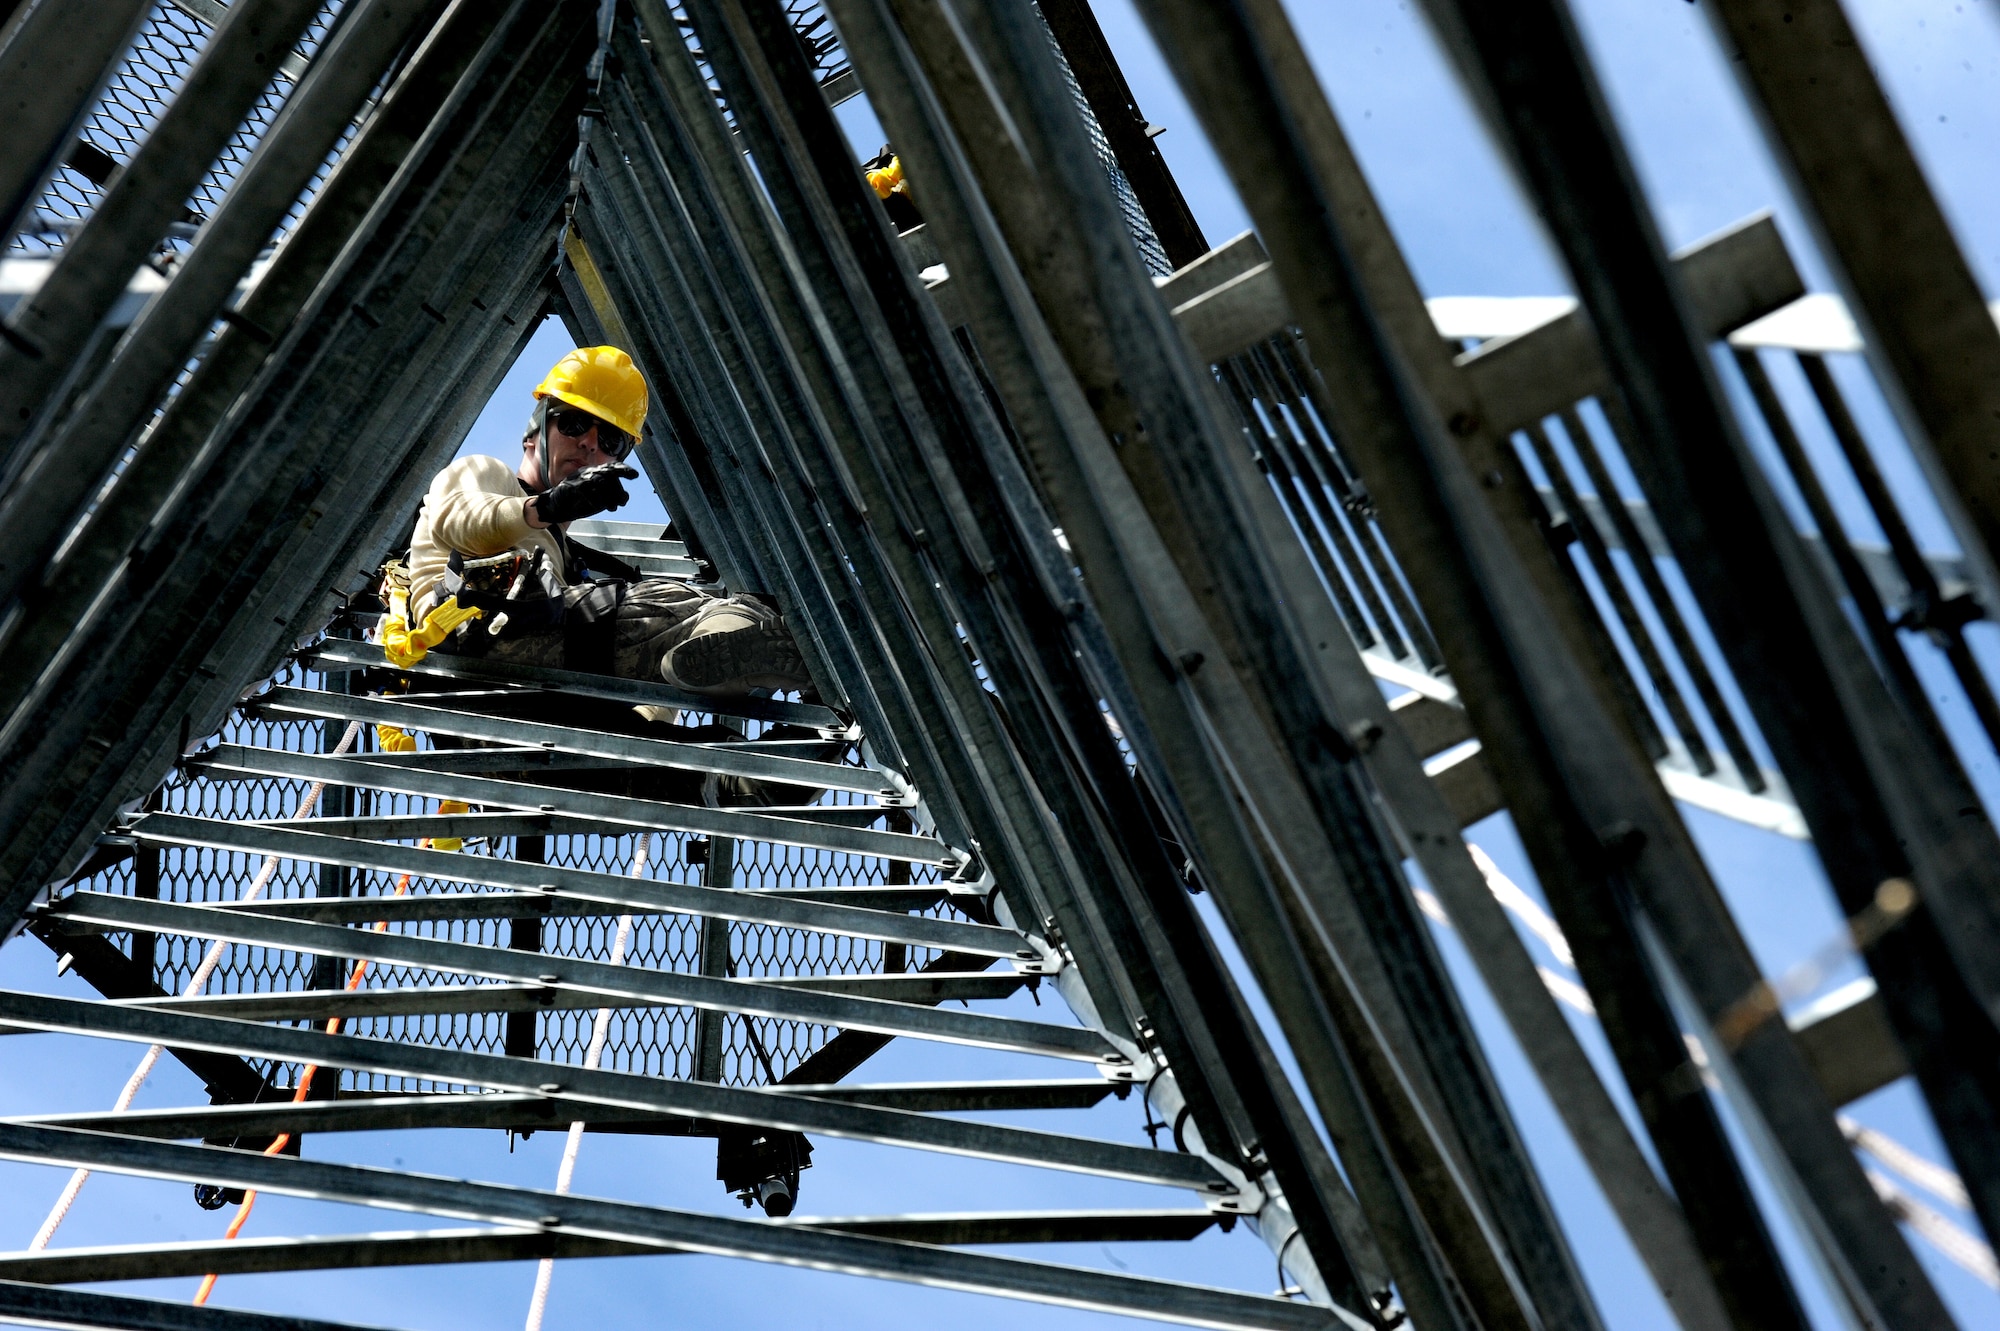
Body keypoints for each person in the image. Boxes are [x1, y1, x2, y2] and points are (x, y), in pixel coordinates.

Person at [401, 346, 810, 697]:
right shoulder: (489, 474)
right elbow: (455, 520)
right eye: (574, 423)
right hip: (475, 633)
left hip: (516, 691)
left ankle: (743, 780)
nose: (590, 442)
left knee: (663, 753)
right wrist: (545, 507)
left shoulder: (566, 563)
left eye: (610, 440)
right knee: (680, 603)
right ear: (534, 433)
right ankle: (748, 638)